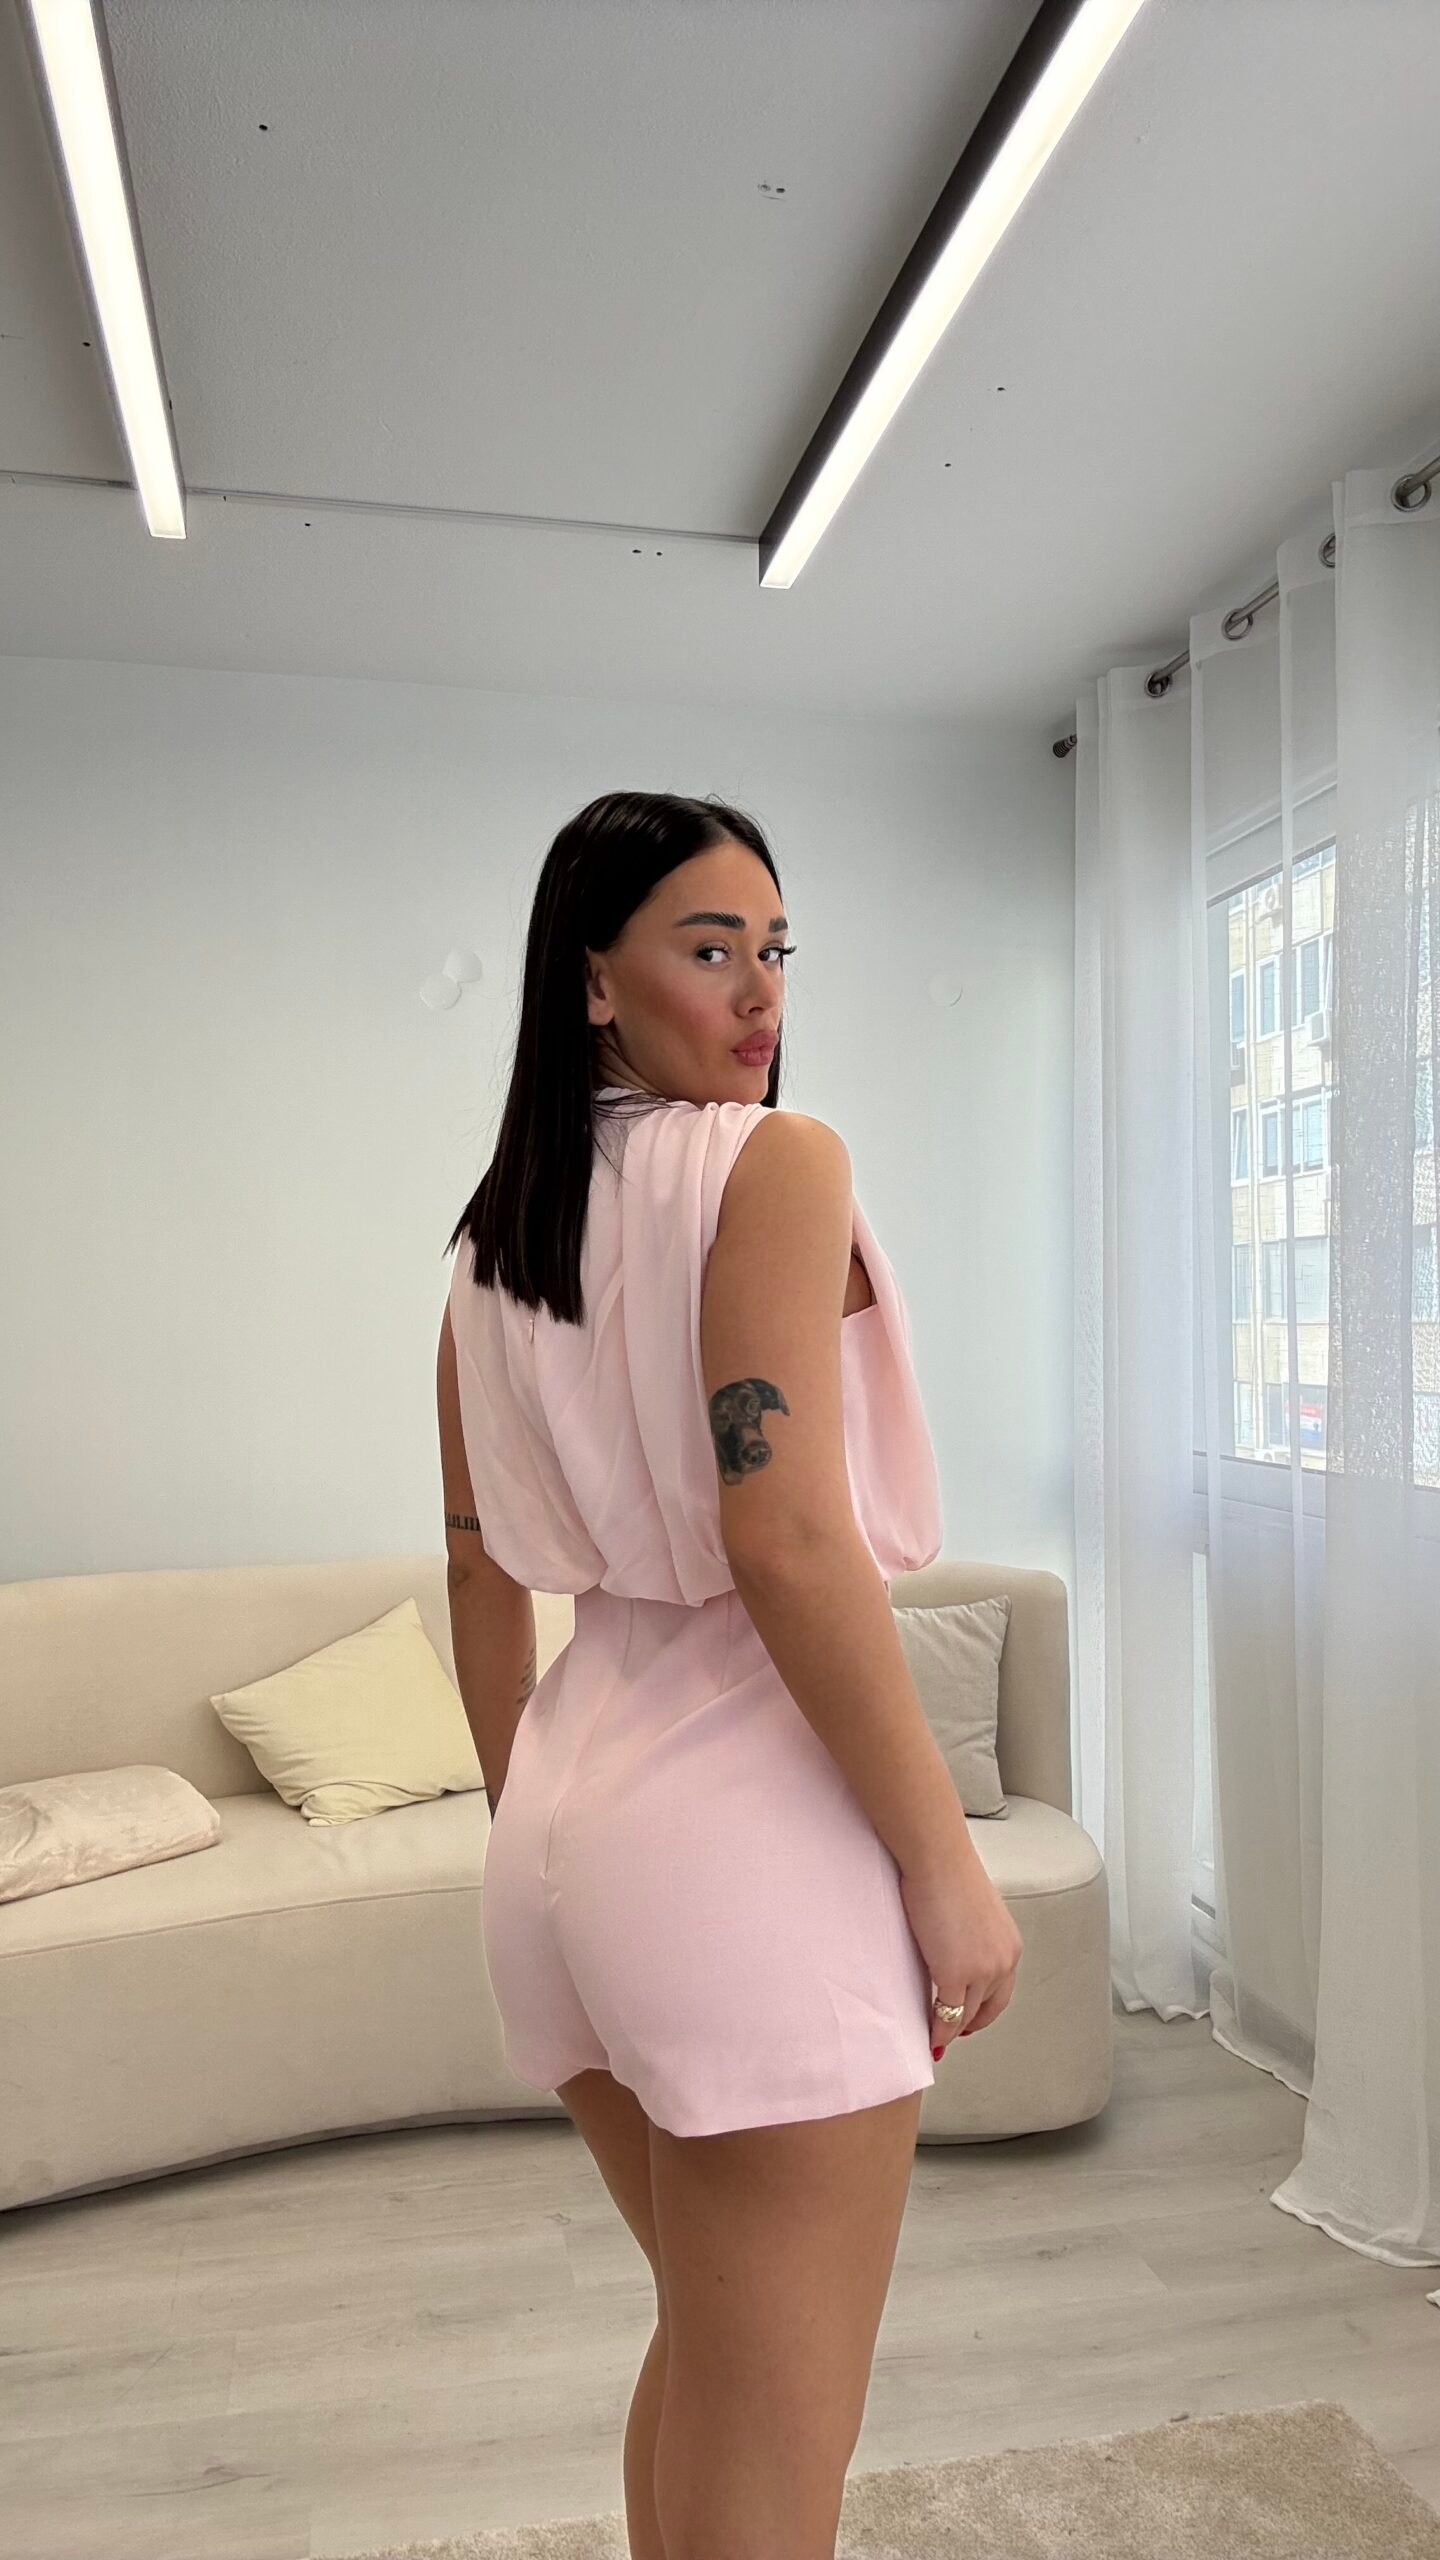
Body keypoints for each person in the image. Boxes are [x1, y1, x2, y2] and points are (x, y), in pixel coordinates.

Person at [440, 789, 1022, 2560]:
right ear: (592, 979)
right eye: (711, 950)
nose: (762, 992)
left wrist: (528, 1826)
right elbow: (786, 1539)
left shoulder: (495, 1243)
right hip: (743, 1844)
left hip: (568, 1828)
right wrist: (946, 1863)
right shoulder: (774, 1165)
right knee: (784, 2443)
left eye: (775, 949)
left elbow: (476, 1565)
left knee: (710, 2356)